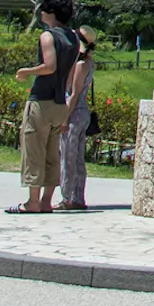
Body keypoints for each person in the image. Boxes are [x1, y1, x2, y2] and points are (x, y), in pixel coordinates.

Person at [9, 0, 78, 215]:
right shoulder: (74, 39)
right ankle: (47, 201)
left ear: (51, 14)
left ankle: (32, 202)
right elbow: (68, 76)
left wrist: (25, 71)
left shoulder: (48, 36)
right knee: (52, 153)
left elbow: (49, 66)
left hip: (41, 100)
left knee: (34, 149)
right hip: (60, 103)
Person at [56, 25, 99, 211]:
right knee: (77, 157)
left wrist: (64, 119)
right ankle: (78, 196)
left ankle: (68, 197)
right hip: (83, 113)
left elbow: (73, 94)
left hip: (75, 112)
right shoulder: (89, 63)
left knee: (68, 156)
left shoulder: (81, 65)